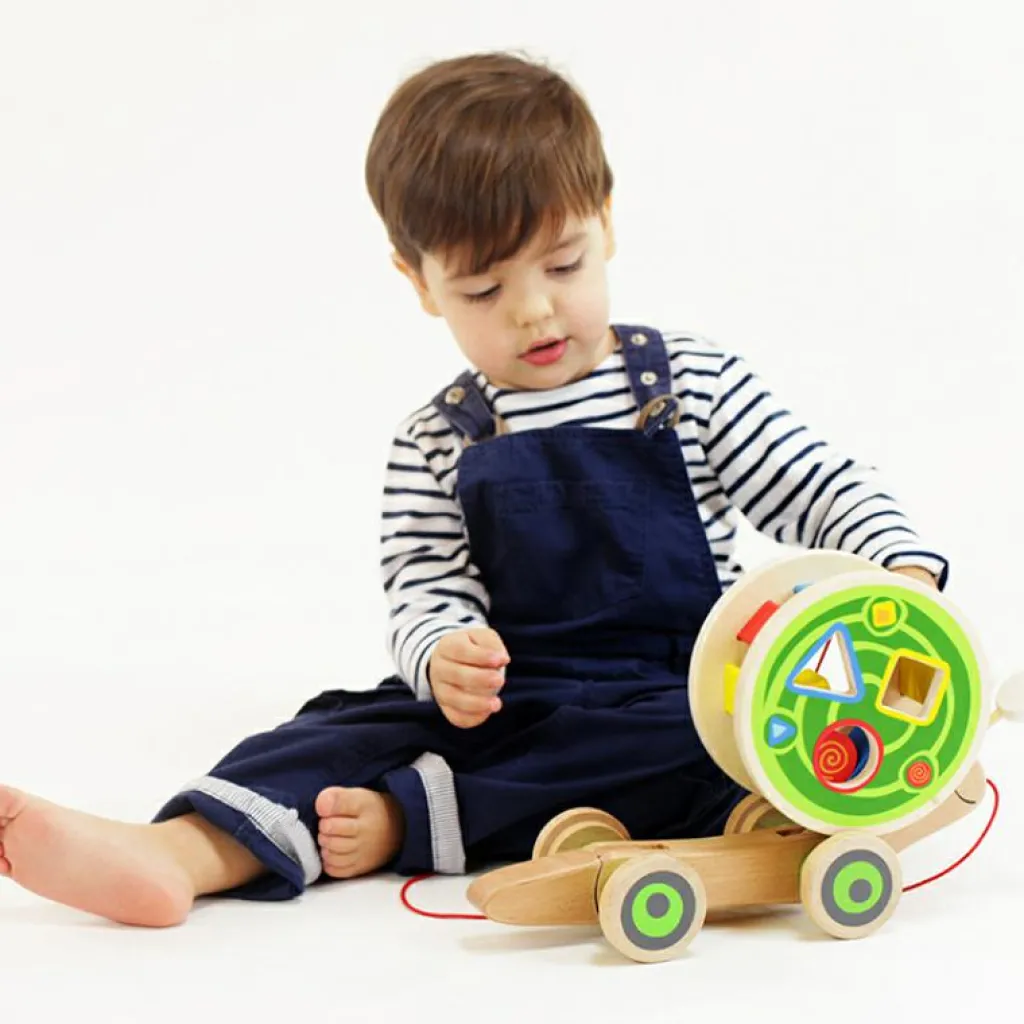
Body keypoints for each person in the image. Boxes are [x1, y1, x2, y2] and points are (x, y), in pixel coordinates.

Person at [0, 51, 948, 928]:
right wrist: (443, 653)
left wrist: (900, 568)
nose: (533, 308)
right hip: (512, 696)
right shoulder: (439, 438)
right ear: (419, 284)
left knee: (709, 741)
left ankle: (413, 816)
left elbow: (817, 483)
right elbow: (423, 584)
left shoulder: (688, 385)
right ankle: (182, 851)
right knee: (329, 729)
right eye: (483, 291)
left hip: (675, 693)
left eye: (563, 265)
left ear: (607, 223)